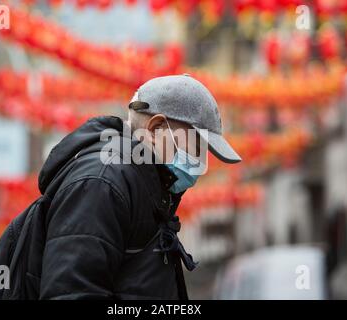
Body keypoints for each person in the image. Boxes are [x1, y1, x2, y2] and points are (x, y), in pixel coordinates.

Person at [35, 74, 241, 299]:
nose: (199, 161)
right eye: (196, 146)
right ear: (155, 129)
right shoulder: (101, 184)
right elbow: (71, 294)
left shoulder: (142, 190)